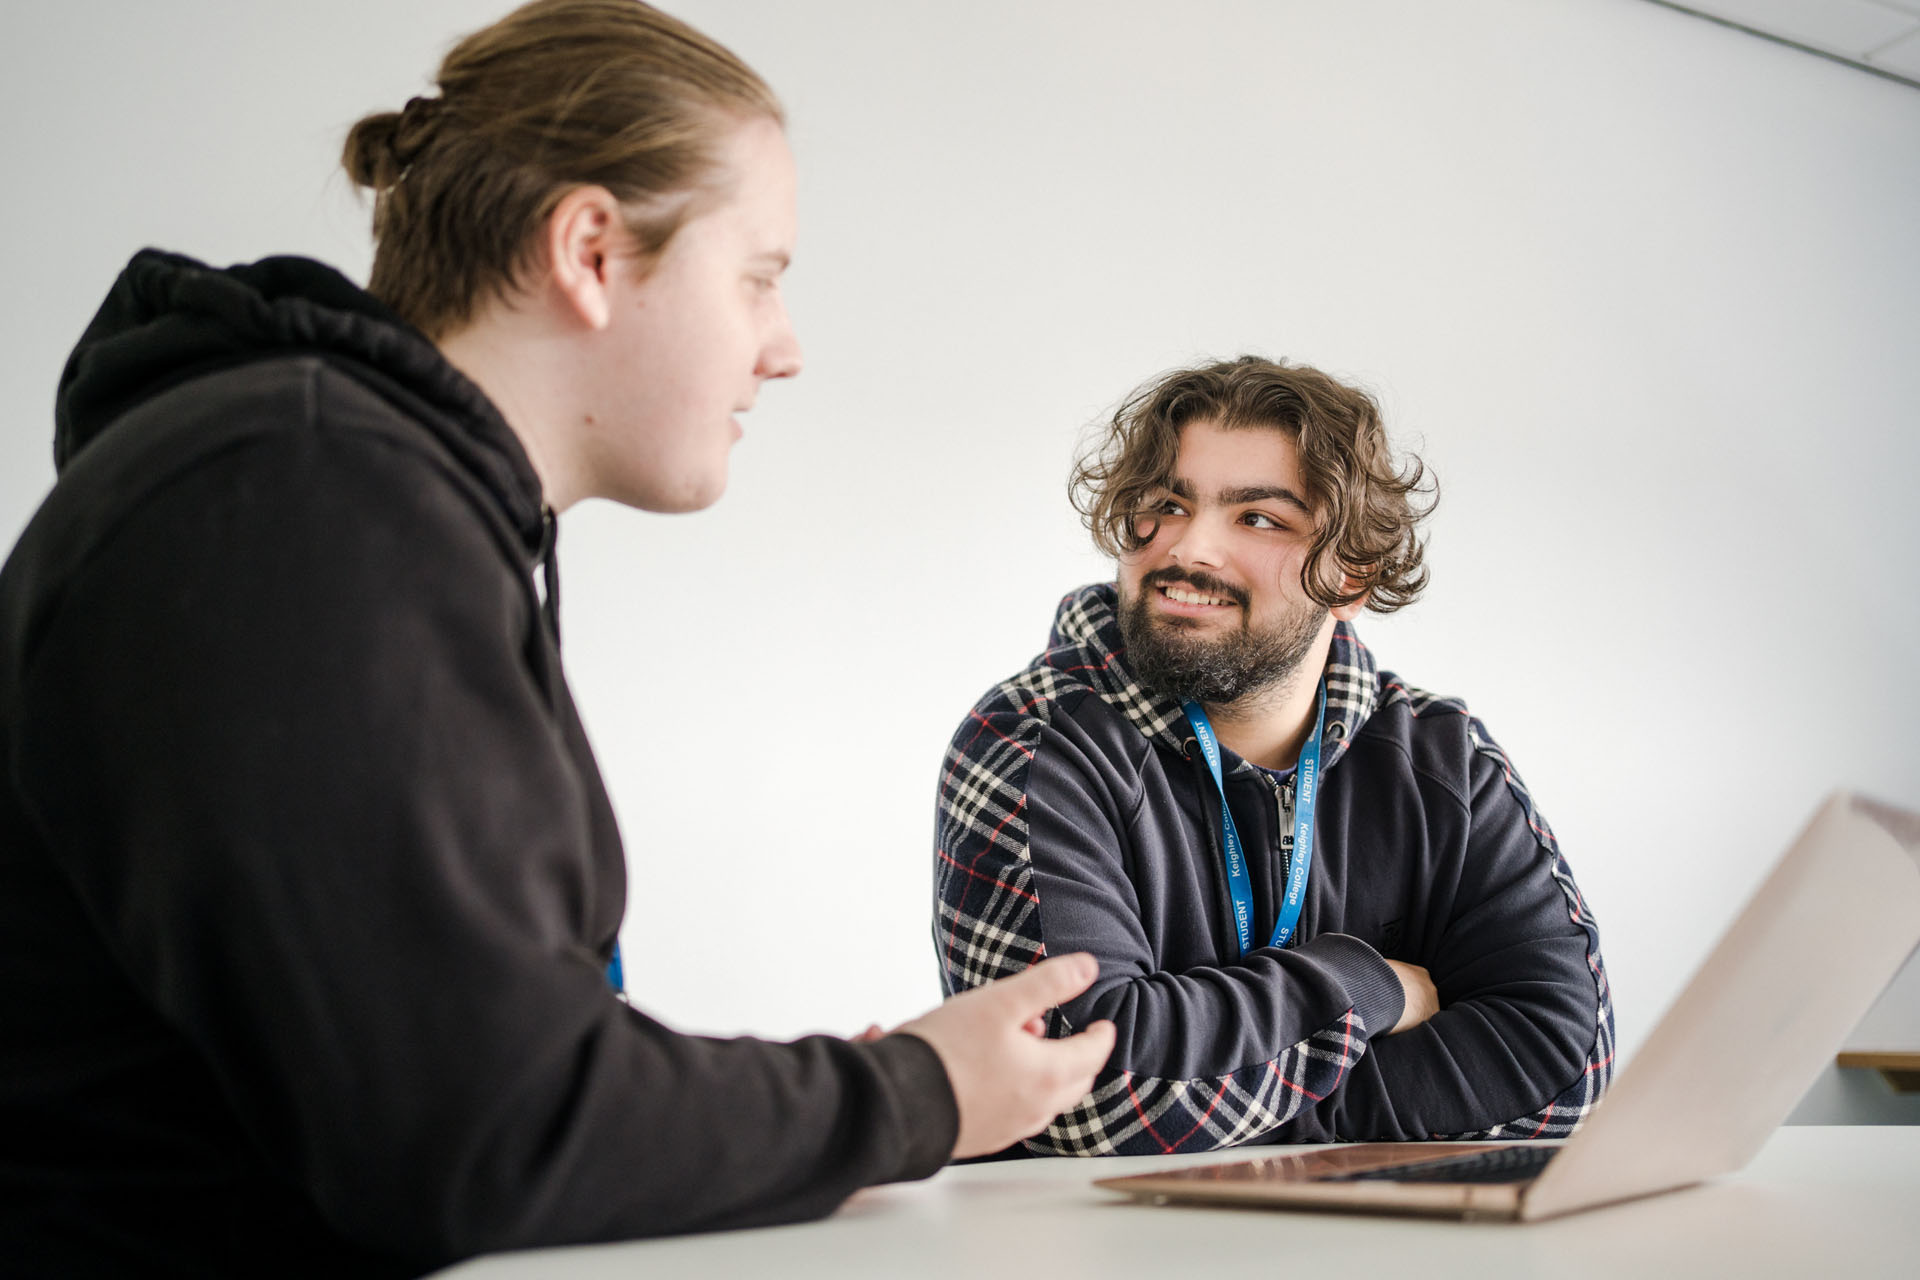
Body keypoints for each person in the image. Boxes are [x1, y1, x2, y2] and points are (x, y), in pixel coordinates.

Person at [0, 1, 1115, 1274]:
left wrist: (831, 1106)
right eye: (758, 276)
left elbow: (495, 1062)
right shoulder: (304, 498)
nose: (784, 347)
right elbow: (488, 1131)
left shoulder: (357, 491)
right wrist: (919, 1095)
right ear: (590, 249)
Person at [934, 355, 1612, 1156]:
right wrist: (1369, 984)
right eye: (1166, 504)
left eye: (1258, 518)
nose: (1191, 549)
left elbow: (1559, 1067)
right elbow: (1082, 1096)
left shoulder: (1444, 761)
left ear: (1352, 573)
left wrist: (1240, 1121)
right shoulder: (1030, 740)